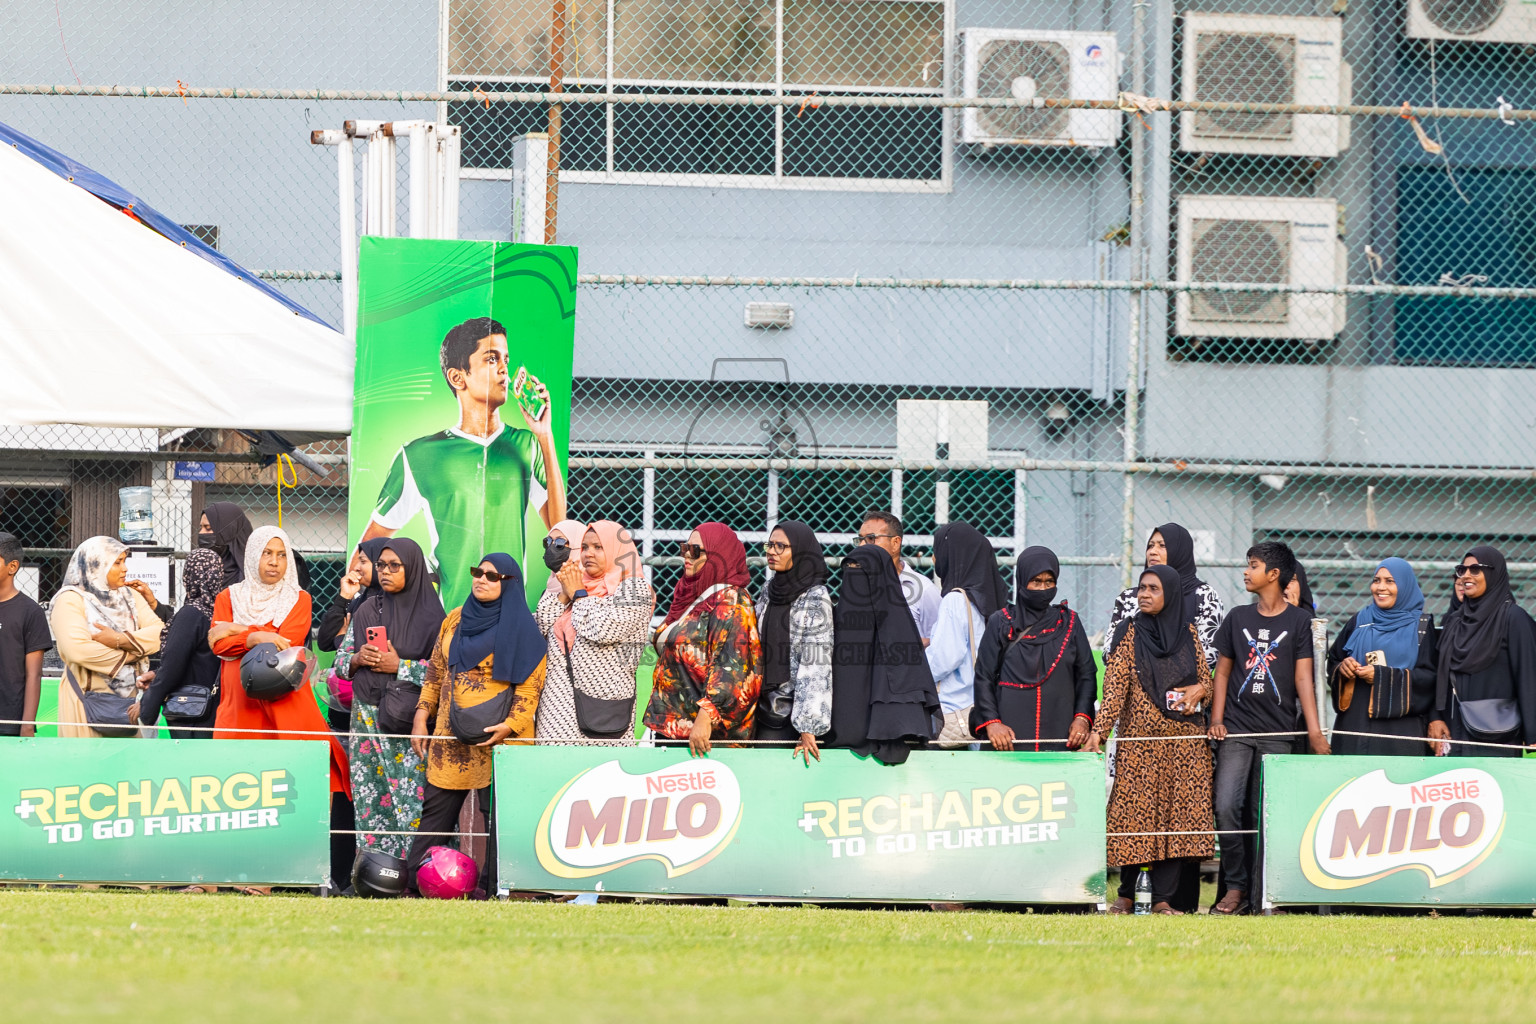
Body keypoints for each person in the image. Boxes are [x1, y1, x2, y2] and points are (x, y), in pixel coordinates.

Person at [361, 317, 567, 609]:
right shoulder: (418, 455)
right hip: (448, 619)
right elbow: (370, 548)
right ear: (458, 377)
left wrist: (545, 436)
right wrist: (413, 589)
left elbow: (560, 532)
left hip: (511, 615)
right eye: (491, 358)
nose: (504, 368)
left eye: (506, 358)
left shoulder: (526, 445)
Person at [408, 554, 548, 897]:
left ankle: (493, 889)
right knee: (436, 811)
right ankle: (415, 884)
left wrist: (510, 725)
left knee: (497, 818)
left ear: (510, 583)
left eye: (492, 576)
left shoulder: (523, 627)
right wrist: (421, 715)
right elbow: (436, 671)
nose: (481, 579)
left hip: (501, 737)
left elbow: (531, 685)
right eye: (477, 572)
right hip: (450, 731)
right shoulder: (455, 620)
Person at [1086, 564, 1215, 915]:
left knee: (1178, 820)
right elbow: (1114, 687)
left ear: (1170, 594)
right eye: (1142, 587)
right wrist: (1100, 730)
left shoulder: (1188, 633)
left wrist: (1204, 687)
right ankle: (1127, 895)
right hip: (1141, 744)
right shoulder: (1129, 633)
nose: (1144, 594)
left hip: (1186, 744)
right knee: (1134, 818)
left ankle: (1162, 900)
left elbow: (1207, 679)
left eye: (1153, 589)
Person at [1208, 540, 1327, 916]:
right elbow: (1223, 671)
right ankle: (1236, 887)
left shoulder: (1298, 623)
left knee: (1266, 817)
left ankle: (1265, 894)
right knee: (1227, 807)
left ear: (1273, 575)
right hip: (1237, 731)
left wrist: (1314, 731)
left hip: (1279, 734)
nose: (1246, 571)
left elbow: (1304, 680)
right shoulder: (1237, 618)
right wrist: (1216, 719)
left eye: (1254, 565)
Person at [212, 527, 351, 798]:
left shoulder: (298, 599)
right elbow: (218, 644)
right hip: (240, 706)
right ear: (252, 556)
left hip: (285, 703)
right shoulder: (227, 597)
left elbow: (284, 644)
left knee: (296, 787)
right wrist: (255, 637)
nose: (274, 562)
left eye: (281, 554)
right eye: (266, 553)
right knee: (238, 785)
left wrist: (237, 631)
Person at [336, 538, 444, 861]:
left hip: (409, 721)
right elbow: (340, 664)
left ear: (411, 569)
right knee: (370, 798)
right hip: (366, 718)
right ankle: (372, 872)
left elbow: (443, 675)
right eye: (381, 565)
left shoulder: (434, 617)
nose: (385, 572)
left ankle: (411, 874)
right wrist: (358, 659)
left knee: (409, 800)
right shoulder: (368, 609)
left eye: (394, 566)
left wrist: (401, 666)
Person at [645, 522, 761, 754]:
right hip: (675, 728)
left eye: (696, 550)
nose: (687, 556)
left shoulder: (731, 601)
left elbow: (733, 669)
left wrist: (706, 718)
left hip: (705, 736)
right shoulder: (692, 594)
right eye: (685, 548)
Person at [535, 520, 653, 744]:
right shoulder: (574, 584)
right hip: (556, 711)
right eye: (585, 547)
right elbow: (539, 627)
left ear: (617, 550)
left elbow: (602, 629)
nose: (589, 553)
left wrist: (578, 594)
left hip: (603, 712)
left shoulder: (634, 589)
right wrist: (564, 594)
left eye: (599, 547)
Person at [970, 546, 1097, 752]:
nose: (1042, 588)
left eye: (1049, 582)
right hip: (1008, 738)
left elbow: (1087, 675)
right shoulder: (1001, 622)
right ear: (1022, 581)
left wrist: (1082, 718)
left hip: (1060, 735)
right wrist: (992, 723)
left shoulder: (1069, 622)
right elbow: (983, 676)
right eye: (1036, 581)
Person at [829, 541, 939, 765]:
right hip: (831, 746)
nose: (854, 580)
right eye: (848, 573)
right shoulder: (835, 619)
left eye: (860, 573)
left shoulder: (900, 629)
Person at [49, 536, 163, 738]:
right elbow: (78, 650)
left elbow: (159, 633)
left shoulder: (130, 596)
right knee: (88, 765)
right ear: (95, 565)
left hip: (131, 701)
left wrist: (119, 640)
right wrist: (131, 655)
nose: (125, 568)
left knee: (133, 766)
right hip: (85, 700)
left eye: (124, 561)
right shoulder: (70, 599)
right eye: (117, 563)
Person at [1429, 547, 1536, 758]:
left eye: (1475, 569)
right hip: (1453, 730)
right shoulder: (1455, 620)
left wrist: (1533, 734)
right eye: (1462, 569)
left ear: (1493, 574)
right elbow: (1439, 675)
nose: (1466, 575)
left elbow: (1528, 675)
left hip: (1498, 733)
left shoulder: (1514, 618)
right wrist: (1436, 717)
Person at [1326, 558, 1437, 756]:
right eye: (1376, 580)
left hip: (1400, 732)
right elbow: (1334, 660)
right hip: (1354, 726)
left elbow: (1429, 678)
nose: (1380, 587)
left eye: (1390, 581)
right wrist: (1343, 669)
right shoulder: (1360, 621)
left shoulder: (1421, 626)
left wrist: (1383, 677)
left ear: (1405, 586)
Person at [754, 521, 833, 763]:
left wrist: (808, 726)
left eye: (781, 546)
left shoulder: (815, 597)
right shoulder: (769, 589)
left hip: (790, 715)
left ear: (800, 551)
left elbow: (816, 663)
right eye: (770, 544)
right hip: (760, 707)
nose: (771, 551)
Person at [926, 522, 1007, 747]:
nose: (934, 560)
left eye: (937, 552)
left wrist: (912, 674)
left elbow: (944, 659)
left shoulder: (955, 600)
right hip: (985, 710)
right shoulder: (993, 598)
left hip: (955, 714)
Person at [1104, 523, 1224, 668]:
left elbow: (1209, 656)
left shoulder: (1203, 596)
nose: (1153, 552)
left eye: (1162, 546)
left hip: (1185, 687)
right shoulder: (1129, 597)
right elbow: (1110, 652)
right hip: (1135, 684)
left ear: (1180, 552)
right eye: (1150, 546)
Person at [138, 548, 223, 739]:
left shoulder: (191, 614)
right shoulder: (219, 612)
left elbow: (172, 667)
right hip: (215, 711)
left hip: (190, 712)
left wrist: (147, 707)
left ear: (188, 576)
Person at [856, 511, 940, 641]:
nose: (861, 545)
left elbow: (938, 643)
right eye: (860, 539)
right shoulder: (857, 586)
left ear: (895, 543)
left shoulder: (923, 590)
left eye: (871, 538)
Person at [0, 533, 50, 737]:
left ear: (12, 567)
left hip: (8, 720)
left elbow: (34, 674)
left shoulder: (30, 612)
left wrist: (27, 725)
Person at [199, 502, 255, 587]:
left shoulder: (253, 577)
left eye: (208, 528)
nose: (201, 533)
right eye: (201, 527)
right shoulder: (200, 567)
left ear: (228, 531)